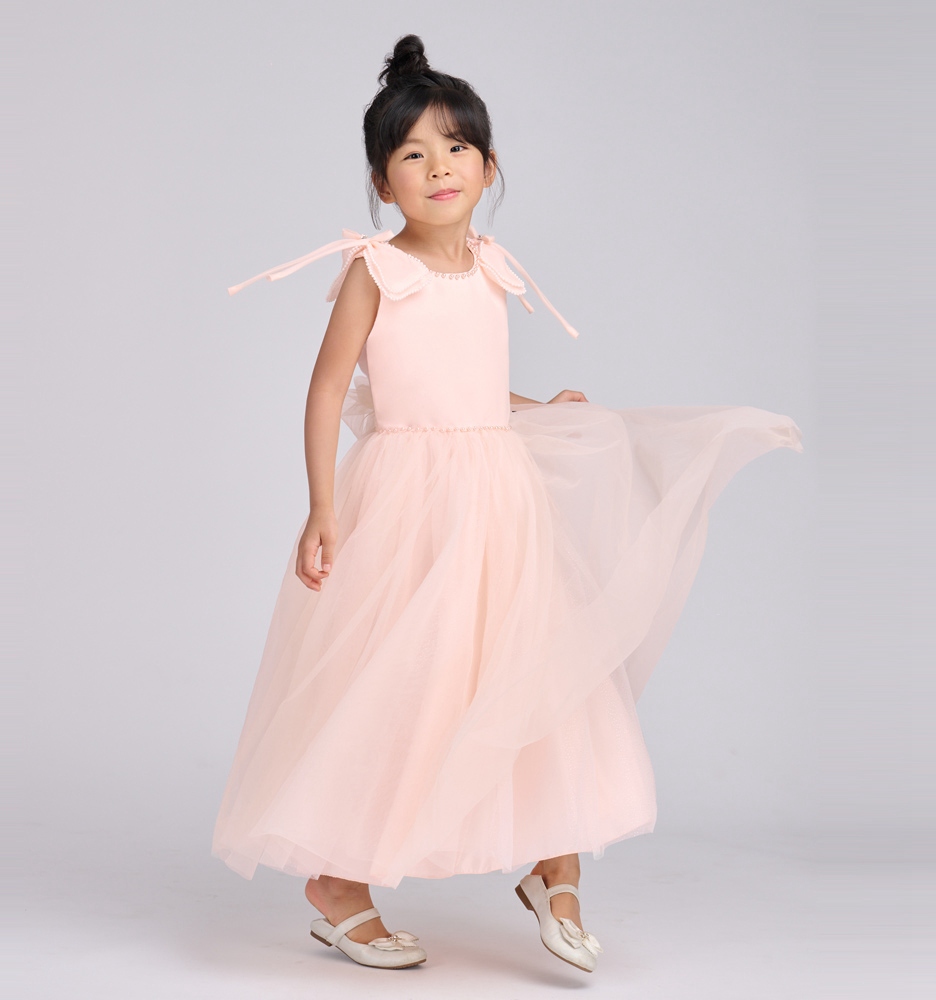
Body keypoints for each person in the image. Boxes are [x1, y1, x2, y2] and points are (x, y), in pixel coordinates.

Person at [213, 34, 803, 974]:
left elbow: (470, 389)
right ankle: (338, 884)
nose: (438, 168)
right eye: (412, 155)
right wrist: (323, 507)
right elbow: (330, 390)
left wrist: (536, 410)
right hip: (408, 503)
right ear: (382, 183)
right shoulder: (376, 269)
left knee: (530, 675)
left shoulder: (490, 265)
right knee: (403, 685)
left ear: (489, 167)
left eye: (456, 148)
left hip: (498, 500)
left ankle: (553, 865)